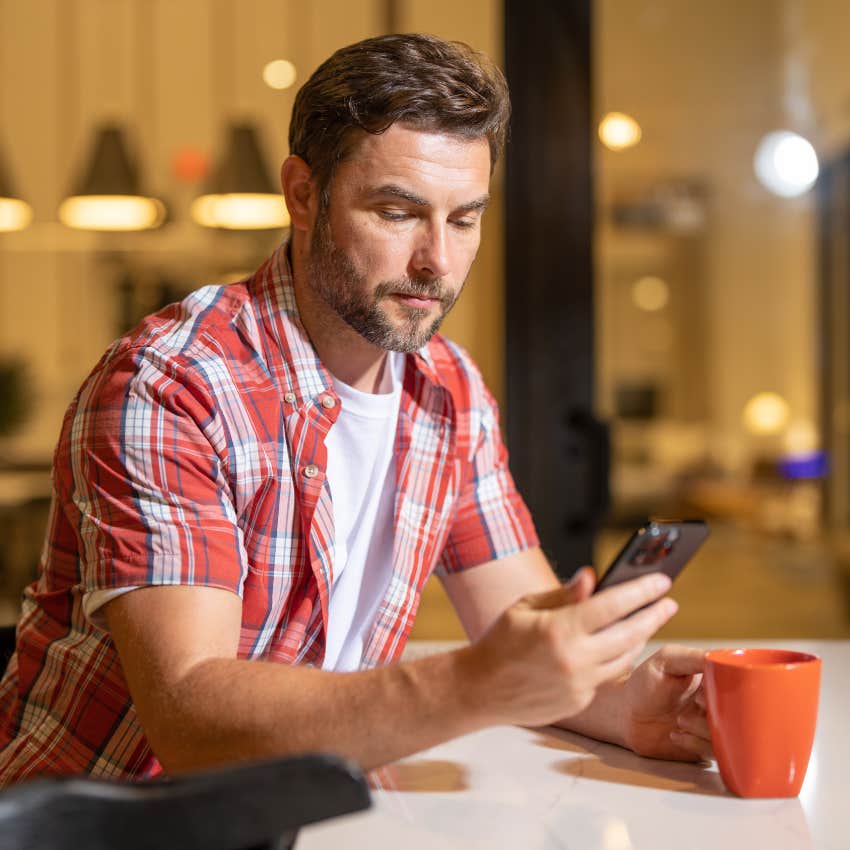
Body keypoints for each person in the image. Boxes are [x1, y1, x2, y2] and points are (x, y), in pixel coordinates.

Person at [0, 33, 711, 786]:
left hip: (299, 809)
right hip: (101, 823)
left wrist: (626, 704)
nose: (437, 261)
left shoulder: (448, 390)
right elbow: (191, 719)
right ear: (303, 194)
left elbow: (523, 627)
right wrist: (473, 682)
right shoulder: (174, 385)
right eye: (398, 212)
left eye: (463, 220)